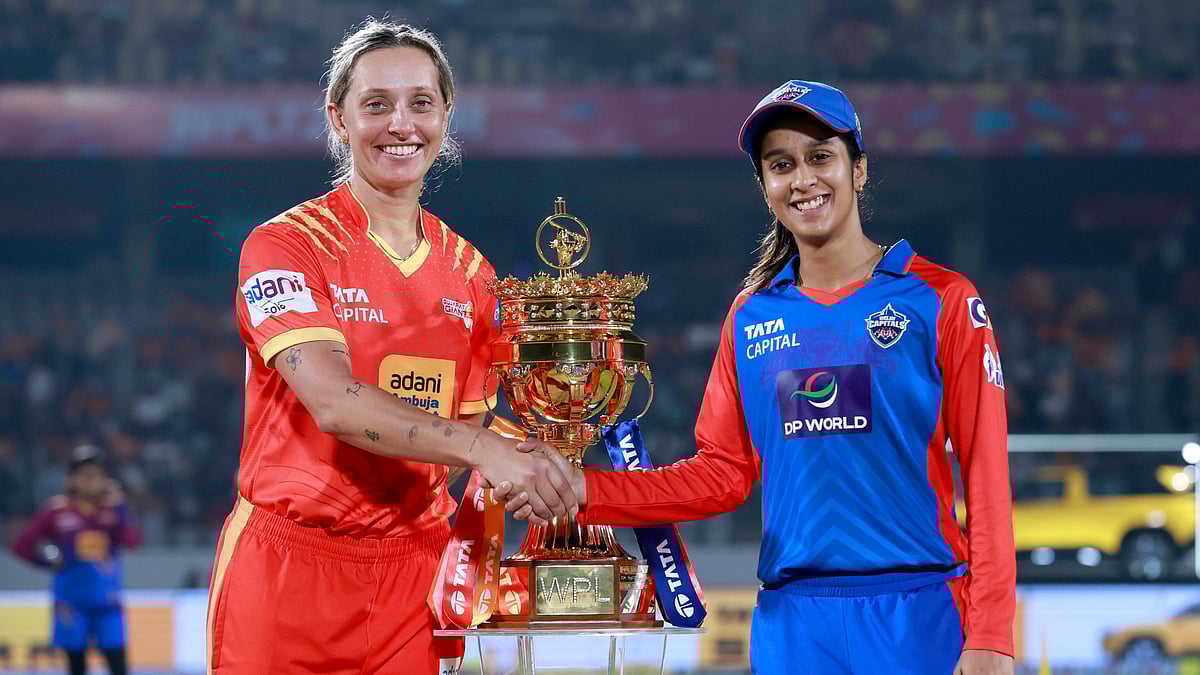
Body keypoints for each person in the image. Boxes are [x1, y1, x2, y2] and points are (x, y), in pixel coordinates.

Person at [498, 81, 1016, 674]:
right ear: (766, 186)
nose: (803, 179)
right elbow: (721, 475)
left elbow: (987, 473)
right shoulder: (751, 316)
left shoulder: (941, 299)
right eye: (781, 164)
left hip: (920, 616)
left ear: (860, 169)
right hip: (793, 627)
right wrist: (584, 489)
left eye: (821, 156)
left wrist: (993, 636)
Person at [207, 20, 578, 675]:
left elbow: (464, 435)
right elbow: (332, 401)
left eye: (420, 103)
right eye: (376, 104)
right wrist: (485, 448)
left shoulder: (474, 274)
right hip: (288, 571)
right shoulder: (284, 246)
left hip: (417, 575)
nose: (400, 124)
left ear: (445, 117)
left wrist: (534, 462)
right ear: (339, 119)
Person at [11, 445, 141, 675]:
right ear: (72, 480)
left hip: (107, 603)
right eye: (86, 475)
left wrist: (120, 506)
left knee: (118, 665)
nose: (93, 481)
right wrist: (48, 562)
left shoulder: (111, 512)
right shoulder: (57, 512)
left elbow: (133, 541)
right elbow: (21, 545)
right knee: (76, 666)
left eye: (98, 475)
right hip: (72, 604)